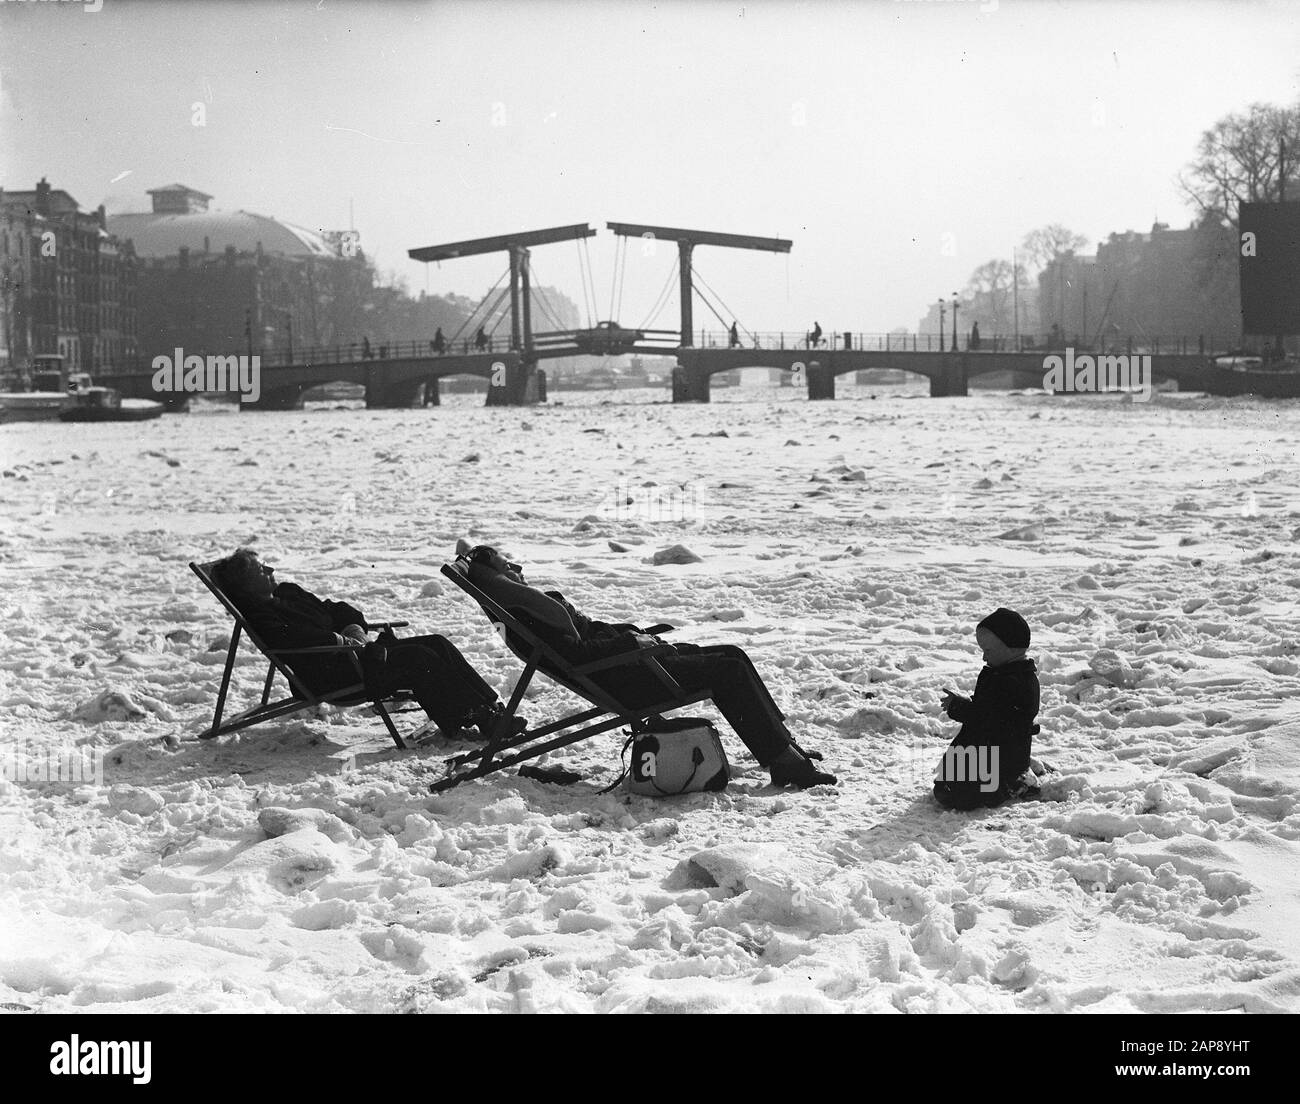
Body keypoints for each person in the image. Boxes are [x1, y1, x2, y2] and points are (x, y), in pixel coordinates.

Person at [461, 545, 837, 789]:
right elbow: (581, 655)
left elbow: (584, 641)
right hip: (626, 676)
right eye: (506, 564)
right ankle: (782, 761)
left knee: (732, 653)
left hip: (626, 666)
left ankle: (783, 744)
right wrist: (631, 642)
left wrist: (634, 636)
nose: (517, 566)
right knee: (728, 673)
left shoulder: (524, 607)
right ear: (499, 577)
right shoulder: (527, 612)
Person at [212, 548, 520, 740]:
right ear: (245, 586)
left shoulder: (288, 592)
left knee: (436, 643)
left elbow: (338, 608)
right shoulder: (261, 615)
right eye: (260, 569)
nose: (270, 570)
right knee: (419, 658)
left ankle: (489, 710)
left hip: (356, 656)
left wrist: (353, 628)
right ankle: (478, 719)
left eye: (265, 564)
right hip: (336, 673)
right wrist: (340, 639)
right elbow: (294, 640)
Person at [934, 608, 1040, 810]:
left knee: (965, 798)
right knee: (946, 788)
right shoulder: (997, 673)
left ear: (1010, 647)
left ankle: (1015, 782)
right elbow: (985, 709)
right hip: (984, 747)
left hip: (1003, 754)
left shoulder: (1019, 682)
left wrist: (961, 708)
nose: (984, 658)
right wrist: (965, 704)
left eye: (988, 651)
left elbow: (994, 720)